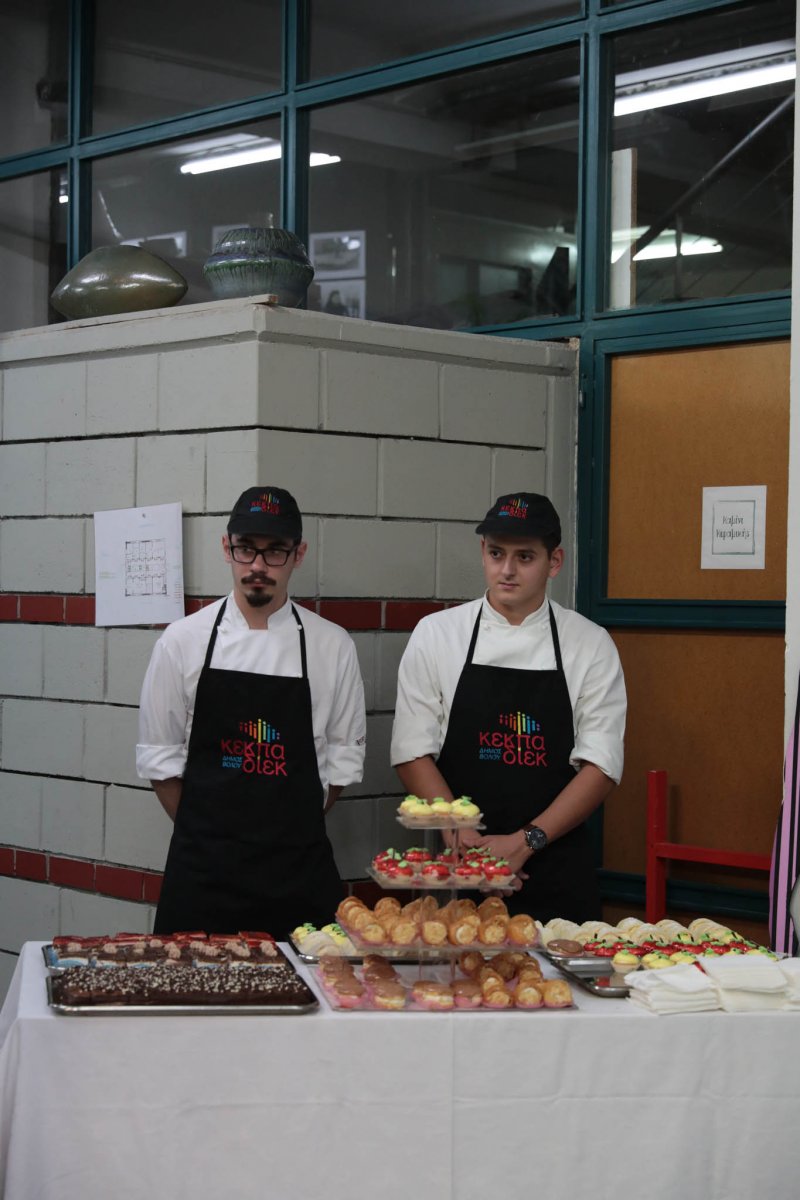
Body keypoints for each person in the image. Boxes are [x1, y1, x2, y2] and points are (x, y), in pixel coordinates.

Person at [136, 486, 366, 939]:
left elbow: (340, 764)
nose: (258, 565)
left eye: (274, 551)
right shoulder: (181, 641)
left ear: (298, 554)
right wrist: (208, 841)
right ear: (227, 548)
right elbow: (159, 762)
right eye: (246, 549)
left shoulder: (331, 645)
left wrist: (288, 833)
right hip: (203, 878)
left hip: (298, 877)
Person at [390, 492, 626, 924]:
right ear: (483, 551)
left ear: (555, 562)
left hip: (556, 874)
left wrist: (525, 842)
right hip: (460, 876)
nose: (507, 570)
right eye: (497, 553)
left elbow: (601, 766)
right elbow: (410, 750)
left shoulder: (589, 643)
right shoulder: (437, 635)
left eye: (525, 557)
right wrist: (462, 836)